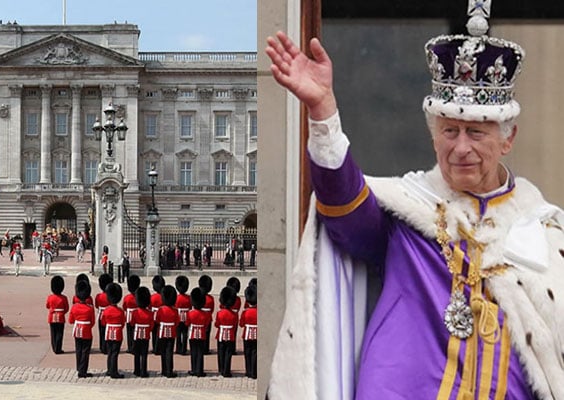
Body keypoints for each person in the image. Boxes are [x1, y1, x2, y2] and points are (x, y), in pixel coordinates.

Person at [265, 3, 564, 398]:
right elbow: (344, 211)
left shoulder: (545, 231)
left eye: (476, 132)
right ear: (433, 134)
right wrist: (323, 113)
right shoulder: (406, 212)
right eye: (449, 130)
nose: (460, 148)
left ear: (507, 138)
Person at [69, 280, 94, 378]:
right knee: (85, 351)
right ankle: (83, 371)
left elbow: (71, 320)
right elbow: (92, 322)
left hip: (77, 330)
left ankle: (79, 367)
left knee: (78, 349)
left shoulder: (74, 307)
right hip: (87, 330)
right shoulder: (90, 308)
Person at [185, 287, 210, 377]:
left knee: (193, 352)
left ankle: (193, 369)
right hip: (202, 334)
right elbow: (207, 324)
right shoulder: (205, 314)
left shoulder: (190, 313)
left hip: (192, 334)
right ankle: (199, 370)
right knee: (200, 352)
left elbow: (187, 323)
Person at [102, 282, 125, 379]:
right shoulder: (120, 311)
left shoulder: (106, 310)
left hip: (108, 332)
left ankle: (109, 369)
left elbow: (103, 322)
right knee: (115, 353)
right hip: (117, 332)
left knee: (110, 352)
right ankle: (113, 372)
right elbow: (123, 323)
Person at [155, 285, 179, 378]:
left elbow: (157, 320)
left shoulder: (161, 310)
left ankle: (164, 370)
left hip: (162, 331)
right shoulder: (175, 311)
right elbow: (177, 322)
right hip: (171, 332)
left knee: (163, 352)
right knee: (169, 352)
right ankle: (169, 370)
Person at [215, 286, 237, 378]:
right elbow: (235, 324)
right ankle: (226, 371)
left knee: (220, 352)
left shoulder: (219, 313)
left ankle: (221, 368)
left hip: (220, 335)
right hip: (230, 335)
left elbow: (216, 324)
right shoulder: (234, 314)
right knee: (228, 353)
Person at [131, 286, 153, 378]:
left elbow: (132, 323)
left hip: (137, 334)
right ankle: (144, 371)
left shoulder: (135, 312)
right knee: (144, 354)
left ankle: (136, 370)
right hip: (146, 335)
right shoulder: (150, 313)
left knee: (137, 353)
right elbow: (151, 326)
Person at [46, 276, 69, 354]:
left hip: (52, 316)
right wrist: (62, 313)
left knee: (53, 333)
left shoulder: (50, 297)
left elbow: (47, 306)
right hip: (61, 316)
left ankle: (54, 347)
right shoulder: (64, 298)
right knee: (60, 333)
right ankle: (58, 348)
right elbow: (66, 308)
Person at [239, 285, 257, 379]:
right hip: (257, 334)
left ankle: (248, 371)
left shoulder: (245, 312)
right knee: (255, 353)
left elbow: (241, 324)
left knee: (248, 353)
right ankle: (254, 372)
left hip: (247, 334)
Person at [95, 273, 113, 354]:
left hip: (101, 315)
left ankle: (102, 346)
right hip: (109, 315)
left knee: (101, 331)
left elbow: (96, 305)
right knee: (108, 331)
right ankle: (107, 347)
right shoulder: (110, 295)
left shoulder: (99, 296)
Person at [123, 275, 140, 354]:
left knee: (130, 332)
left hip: (129, 316)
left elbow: (124, 307)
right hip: (138, 315)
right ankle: (136, 347)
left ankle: (130, 347)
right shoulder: (138, 296)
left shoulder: (127, 297)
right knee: (136, 331)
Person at [174, 275, 191, 355]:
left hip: (178, 316)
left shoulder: (176, 298)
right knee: (185, 333)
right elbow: (190, 307)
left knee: (178, 333)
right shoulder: (189, 298)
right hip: (186, 316)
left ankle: (178, 348)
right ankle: (184, 349)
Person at [198, 275, 214, 355]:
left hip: (199, 317)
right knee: (207, 334)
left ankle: (200, 348)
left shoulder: (199, 296)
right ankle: (206, 349)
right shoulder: (210, 298)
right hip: (208, 317)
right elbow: (212, 309)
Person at [150, 275, 165, 355]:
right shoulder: (163, 296)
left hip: (154, 316)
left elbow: (149, 306)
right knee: (160, 333)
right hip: (162, 316)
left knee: (154, 332)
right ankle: (159, 348)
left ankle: (155, 348)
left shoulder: (152, 297)